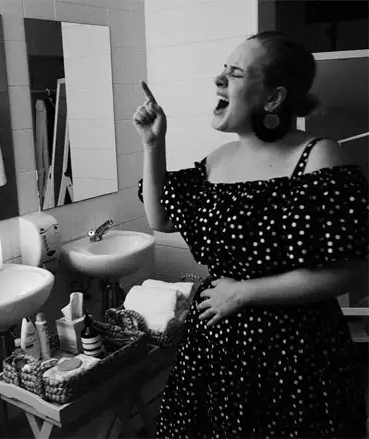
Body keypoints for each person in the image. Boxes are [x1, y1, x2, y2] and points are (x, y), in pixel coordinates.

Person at [134, 31, 367, 438]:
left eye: (236, 73)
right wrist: (154, 145)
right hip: (215, 353)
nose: (219, 79)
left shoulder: (317, 156)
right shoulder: (217, 160)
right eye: (223, 69)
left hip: (295, 357)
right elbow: (161, 219)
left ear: (273, 98)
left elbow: (349, 271)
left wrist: (243, 293)